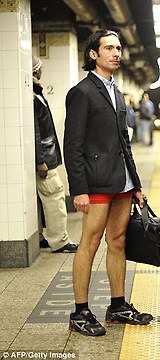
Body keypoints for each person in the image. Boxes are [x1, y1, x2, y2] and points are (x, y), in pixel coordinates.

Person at [63, 29, 153, 336]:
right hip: (97, 183)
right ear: (94, 54)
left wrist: (137, 184)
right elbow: (72, 145)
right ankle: (80, 312)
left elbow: (124, 142)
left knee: (117, 242)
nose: (116, 53)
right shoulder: (82, 92)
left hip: (123, 183)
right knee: (89, 243)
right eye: (109, 48)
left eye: (118, 48)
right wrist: (79, 189)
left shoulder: (117, 93)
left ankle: (118, 306)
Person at [32, 55, 78, 254]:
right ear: (36, 71)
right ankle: (60, 241)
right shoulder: (33, 96)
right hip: (45, 160)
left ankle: (43, 236)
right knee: (55, 197)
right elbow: (35, 130)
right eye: (40, 67)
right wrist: (41, 160)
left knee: (43, 200)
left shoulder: (35, 93)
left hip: (46, 157)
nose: (42, 71)